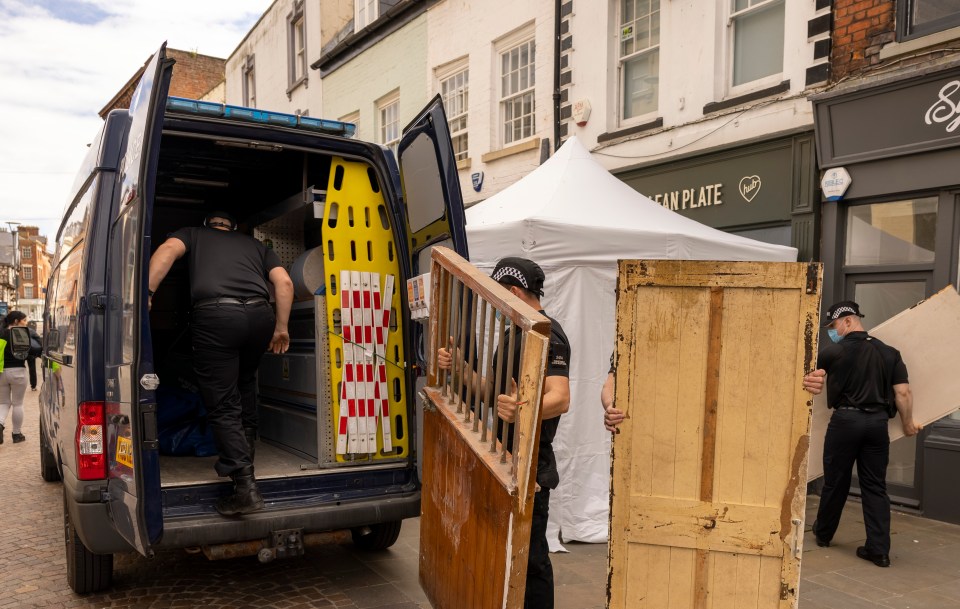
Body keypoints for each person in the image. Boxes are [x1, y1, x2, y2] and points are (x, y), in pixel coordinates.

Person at [437, 257, 570, 609]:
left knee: (533, 559)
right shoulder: (512, 335)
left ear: (512, 292)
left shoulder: (547, 333)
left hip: (531, 466)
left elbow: (560, 397)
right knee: (509, 554)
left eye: (498, 296)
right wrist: (459, 368)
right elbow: (489, 391)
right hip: (503, 460)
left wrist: (524, 409)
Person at [148, 210, 294, 516]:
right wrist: (281, 327)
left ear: (208, 225)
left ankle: (245, 488)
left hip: (216, 317)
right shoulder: (256, 247)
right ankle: (246, 462)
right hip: (259, 317)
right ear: (235, 226)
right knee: (245, 386)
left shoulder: (191, 233)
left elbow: (167, 251)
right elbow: (284, 284)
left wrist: (148, 292)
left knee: (223, 401)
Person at [802, 301, 920, 568]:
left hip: (845, 421)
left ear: (847, 321)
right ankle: (879, 551)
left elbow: (811, 380)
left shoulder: (833, 352)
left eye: (833, 326)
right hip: (877, 425)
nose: (832, 332)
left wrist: (814, 381)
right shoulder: (890, 353)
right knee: (875, 487)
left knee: (836, 481)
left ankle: (823, 535)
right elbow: (903, 393)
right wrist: (908, 423)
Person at [0, 311, 41, 444]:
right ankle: (17, 434)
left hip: (1, 372)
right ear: (16, 321)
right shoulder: (20, 333)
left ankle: (0, 424)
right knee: (18, 403)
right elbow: (34, 350)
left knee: (3, 403)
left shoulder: (1, 333)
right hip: (18, 371)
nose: (25, 323)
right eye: (24, 320)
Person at [26, 321, 40, 391]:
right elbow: (39, 340)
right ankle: (33, 386)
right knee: (32, 369)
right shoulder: (33, 331)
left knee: (19, 367)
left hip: (20, 351)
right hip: (31, 352)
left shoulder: (20, 329)